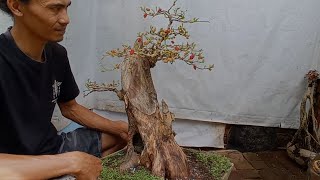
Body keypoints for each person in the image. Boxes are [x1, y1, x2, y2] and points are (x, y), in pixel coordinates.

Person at [0, 0, 128, 179]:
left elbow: (70, 107)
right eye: (55, 8)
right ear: (16, 6)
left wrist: (119, 128)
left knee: (120, 136)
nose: (66, 19)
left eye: (67, 7)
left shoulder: (57, 54)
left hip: (53, 148)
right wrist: (70, 162)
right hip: (15, 163)